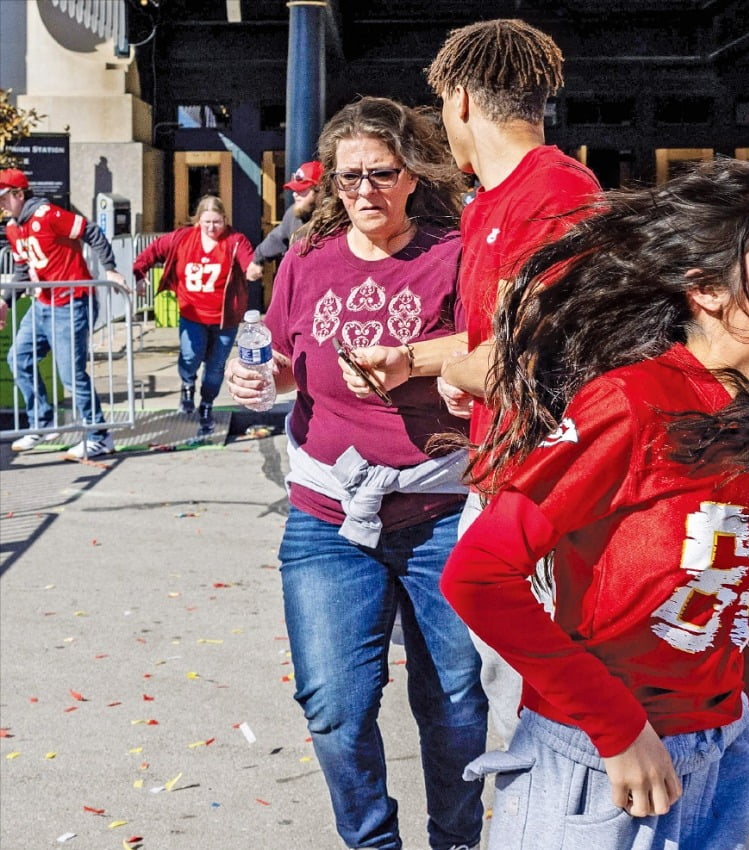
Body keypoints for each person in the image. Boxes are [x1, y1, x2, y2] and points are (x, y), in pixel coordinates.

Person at [439, 159, 749, 849]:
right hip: (598, 769)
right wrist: (614, 727)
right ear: (705, 289)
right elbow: (478, 575)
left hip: (723, 759)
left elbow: (713, 604)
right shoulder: (630, 404)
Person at [225, 96, 488, 850]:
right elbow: (281, 360)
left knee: (458, 710)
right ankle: (372, 844)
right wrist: (260, 380)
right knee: (335, 708)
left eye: (382, 173)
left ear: (412, 176)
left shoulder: (455, 252)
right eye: (348, 178)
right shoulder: (308, 260)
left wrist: (418, 362)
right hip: (328, 516)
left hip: (439, 511)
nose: (364, 190)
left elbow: (496, 345)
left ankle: (456, 841)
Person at [347, 18, 602, 744]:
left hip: (549, 491)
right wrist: (412, 360)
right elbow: (491, 335)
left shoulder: (558, 193)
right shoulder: (487, 200)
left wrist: (465, 371)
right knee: (505, 690)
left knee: (546, 703)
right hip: (495, 477)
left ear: (459, 100)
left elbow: (531, 350)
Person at [1, 167, 125, 458]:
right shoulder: (12, 227)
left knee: (71, 374)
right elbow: (22, 270)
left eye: (5, 197)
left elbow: (90, 230)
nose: (2, 204)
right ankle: (42, 422)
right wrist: (6, 300)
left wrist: (110, 269)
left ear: (20, 194)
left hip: (72, 302)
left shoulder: (47, 215)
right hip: (42, 303)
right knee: (18, 358)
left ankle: (99, 435)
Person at [133, 195, 254, 435]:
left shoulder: (235, 241)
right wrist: (139, 273)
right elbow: (153, 250)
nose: (212, 228)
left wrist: (253, 269)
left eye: (217, 222)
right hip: (192, 314)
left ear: (225, 220)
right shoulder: (183, 238)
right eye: (207, 222)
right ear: (197, 220)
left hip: (224, 318)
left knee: (215, 367)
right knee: (190, 357)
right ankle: (187, 384)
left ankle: (207, 404)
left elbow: (248, 261)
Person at [244, 160, 323, 309]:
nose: (295, 194)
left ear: (321, 192)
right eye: (294, 189)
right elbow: (277, 237)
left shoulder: (339, 220)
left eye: (302, 190)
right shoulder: (294, 214)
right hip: (302, 295)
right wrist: (257, 260)